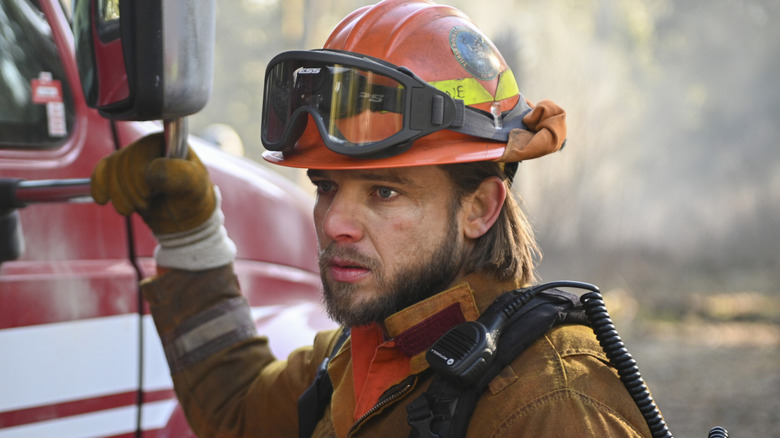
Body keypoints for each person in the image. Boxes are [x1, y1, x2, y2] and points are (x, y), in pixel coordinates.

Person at [91, 0, 653, 436]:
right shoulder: (368, 348)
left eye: (384, 192)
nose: (336, 221)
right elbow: (239, 414)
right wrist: (192, 237)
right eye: (327, 186)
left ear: (480, 208)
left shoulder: (551, 404)